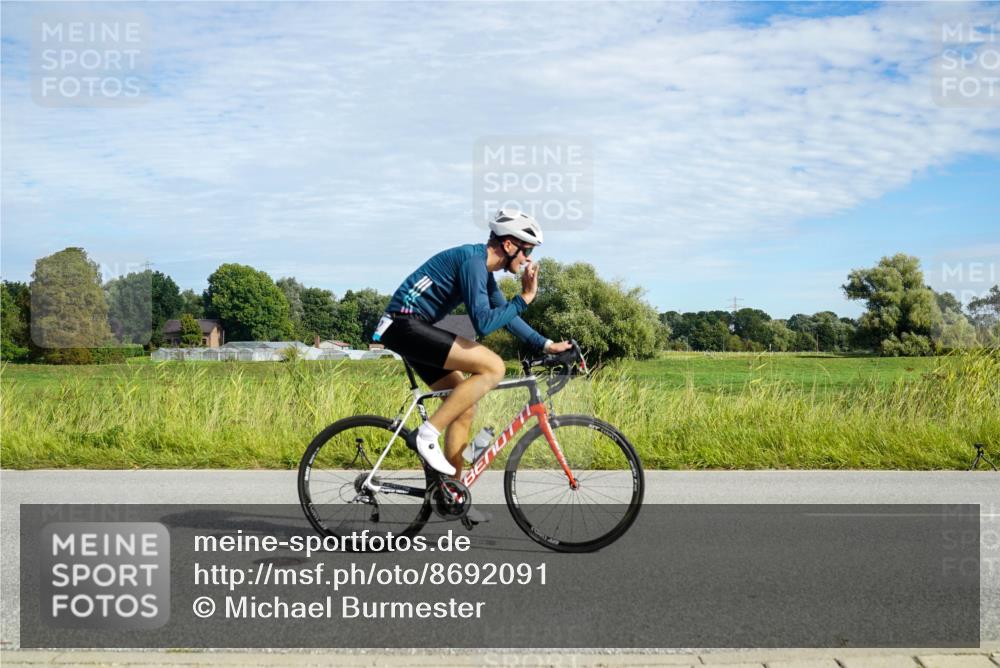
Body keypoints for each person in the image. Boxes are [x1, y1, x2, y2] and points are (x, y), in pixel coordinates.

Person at [374, 209, 572, 517]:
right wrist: (527, 297)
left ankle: (452, 494)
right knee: (493, 367)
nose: (529, 259)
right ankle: (427, 435)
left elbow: (505, 314)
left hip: (414, 328)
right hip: (403, 324)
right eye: (528, 250)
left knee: (464, 406)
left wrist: (545, 344)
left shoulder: (484, 271)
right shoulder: (473, 263)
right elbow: (482, 323)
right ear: (508, 245)